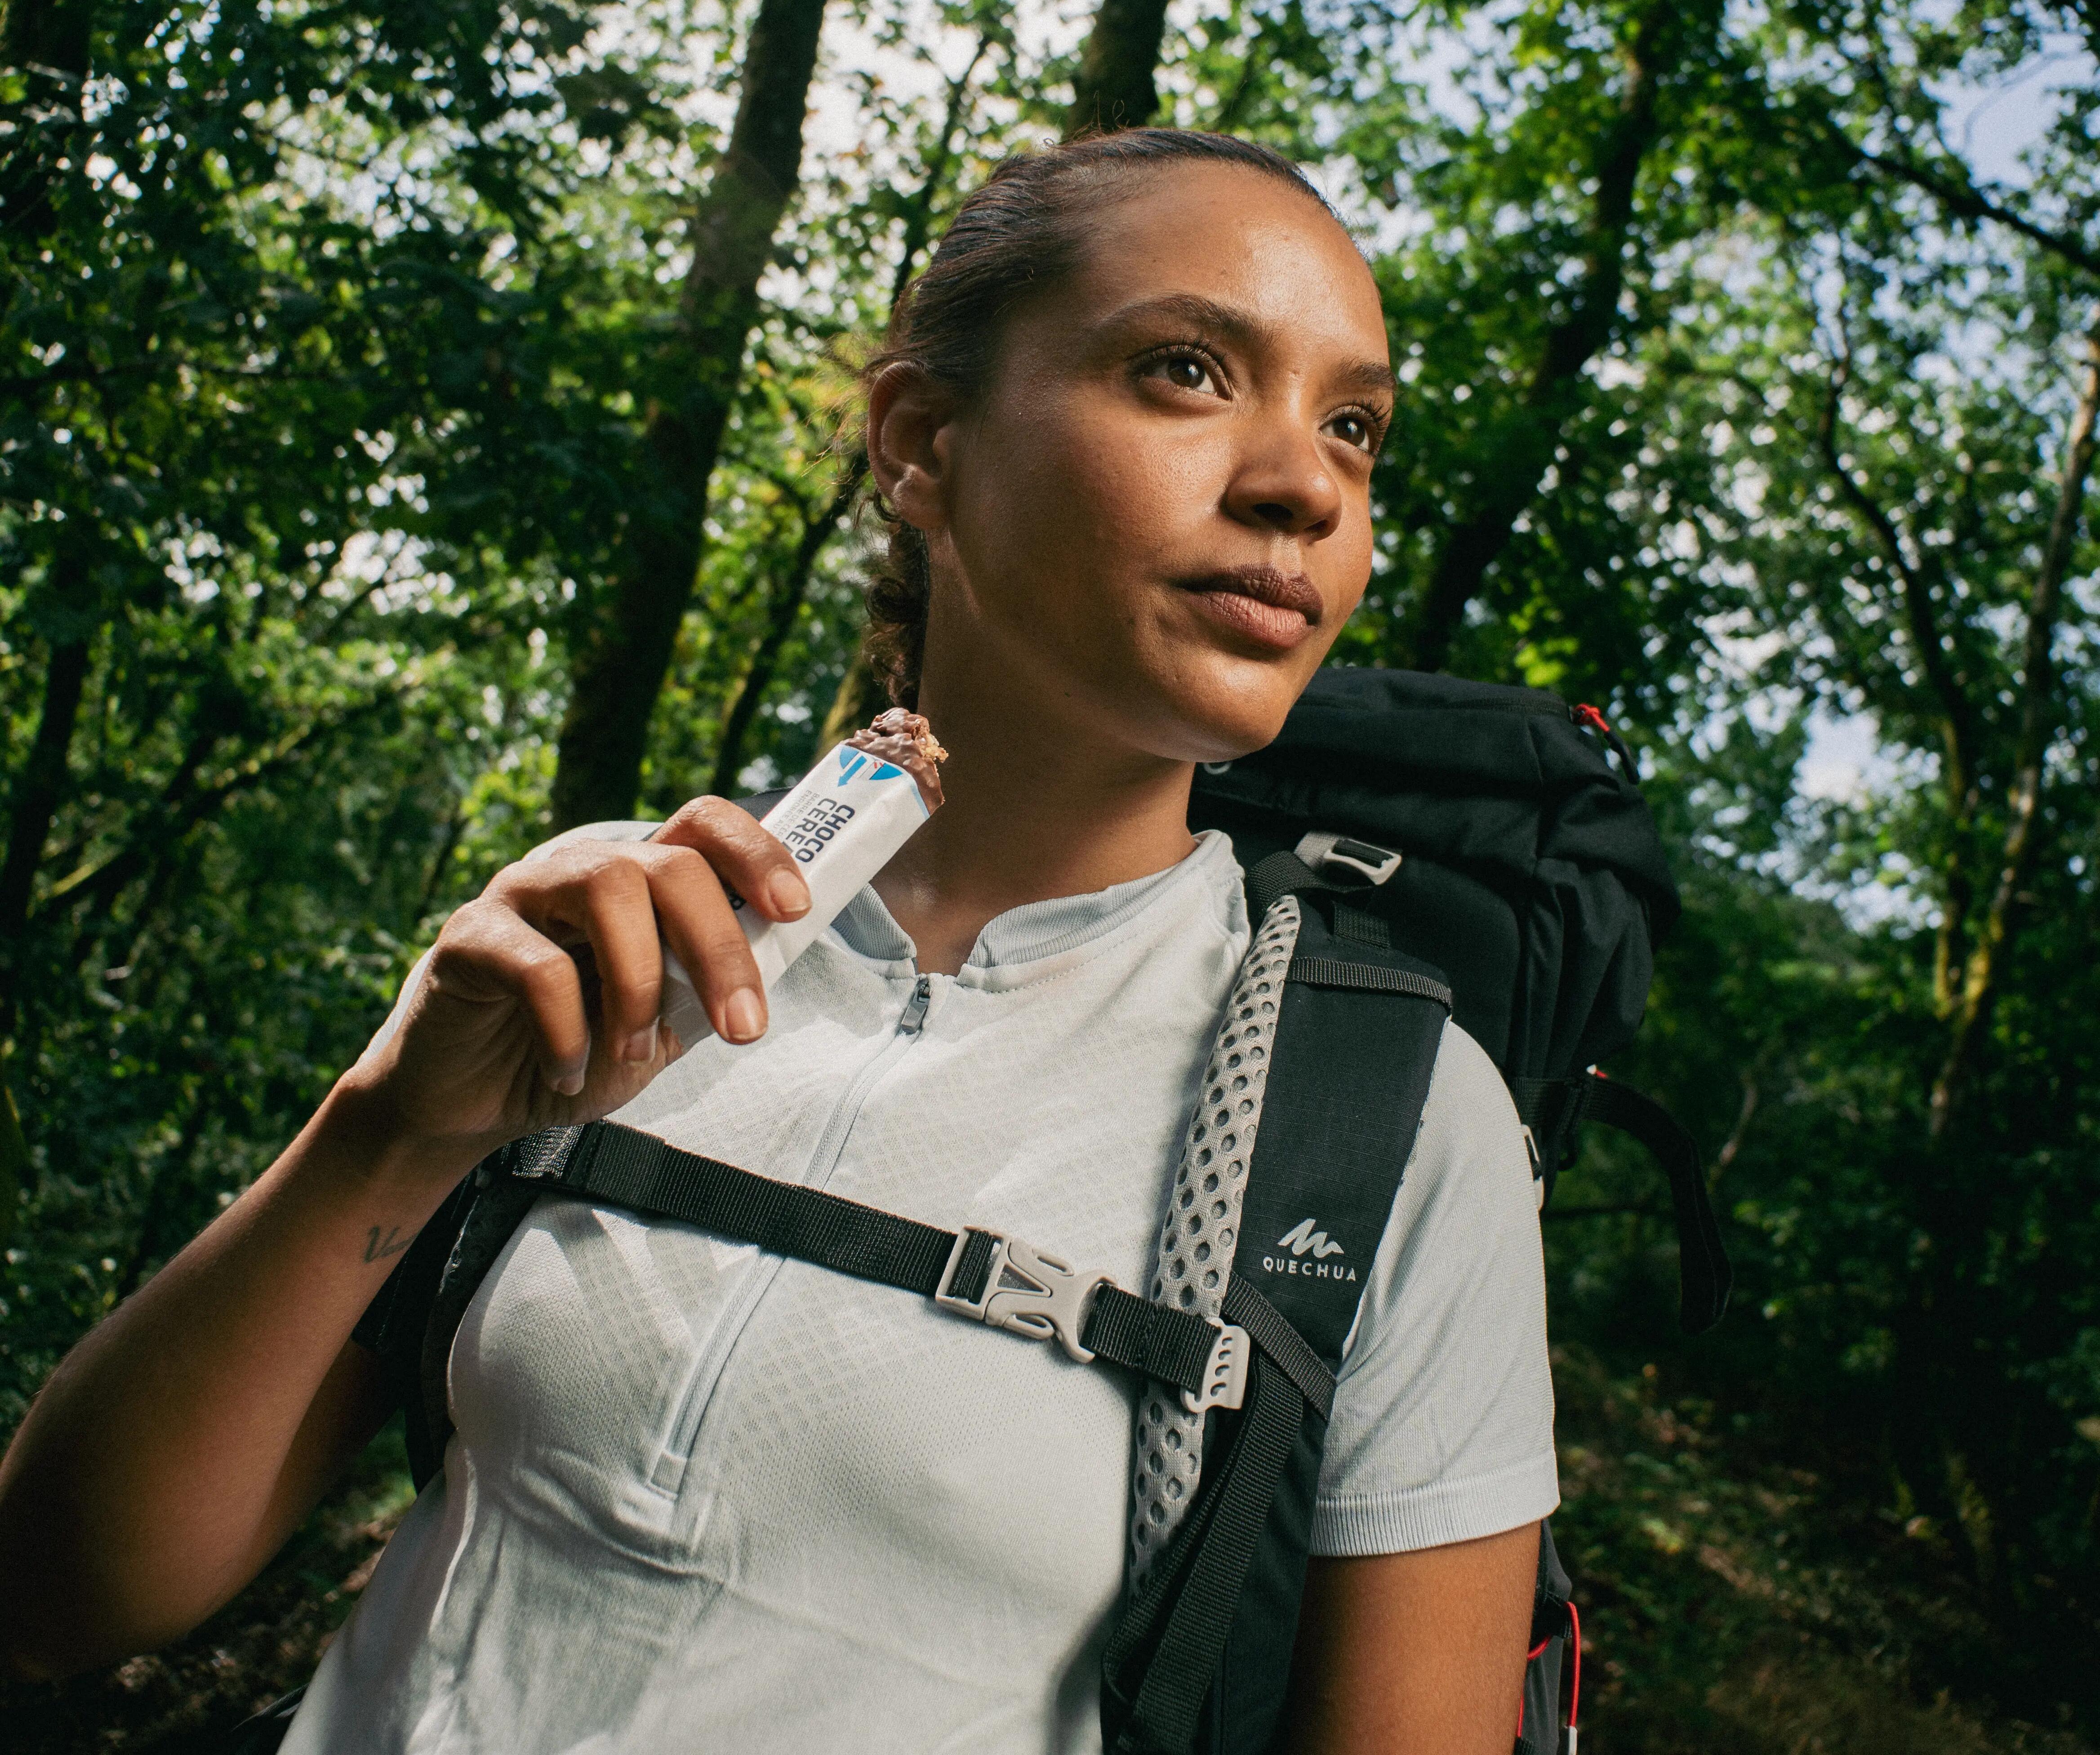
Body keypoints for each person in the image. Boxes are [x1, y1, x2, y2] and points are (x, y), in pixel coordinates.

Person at [0, 130, 1557, 1752]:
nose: (1304, 482)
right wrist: (388, 1132)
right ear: (922, 443)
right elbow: (55, 1599)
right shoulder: (628, 935)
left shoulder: (1388, 1121)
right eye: (1185, 368)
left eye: (1356, 428)